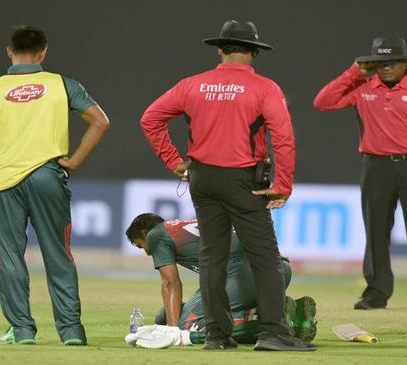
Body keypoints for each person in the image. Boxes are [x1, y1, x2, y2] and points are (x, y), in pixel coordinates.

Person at [140, 20, 314, 351]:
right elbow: (283, 137)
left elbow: (150, 119)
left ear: (220, 50)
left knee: (212, 257)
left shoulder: (192, 85)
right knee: (264, 257)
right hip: (244, 180)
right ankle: (273, 333)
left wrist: (173, 160)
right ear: (254, 52)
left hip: (203, 180)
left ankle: (217, 336)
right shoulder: (265, 88)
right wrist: (283, 183)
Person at [0, 25, 109, 345]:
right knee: (59, 254)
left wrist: (3, 145)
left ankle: (22, 330)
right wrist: (76, 160)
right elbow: (100, 121)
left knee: (9, 257)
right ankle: (71, 332)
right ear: (43, 52)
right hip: (47, 177)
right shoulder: (62, 84)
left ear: (8, 52)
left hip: (2, 181)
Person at [313, 38, 407, 311]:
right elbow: (322, 102)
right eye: (381, 63)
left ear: (405, 62)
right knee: (376, 231)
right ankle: (376, 294)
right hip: (375, 166)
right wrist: (354, 71)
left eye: (392, 62)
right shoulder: (363, 87)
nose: (387, 68)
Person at [125, 213, 317, 345]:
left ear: (144, 233)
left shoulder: (157, 235)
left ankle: (273, 321)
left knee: (187, 324)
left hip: (244, 274)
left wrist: (173, 331)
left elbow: (170, 282)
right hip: (278, 269)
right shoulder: (182, 227)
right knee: (165, 315)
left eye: (141, 246)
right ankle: (289, 313)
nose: (147, 252)